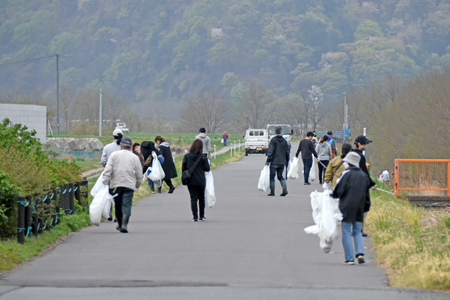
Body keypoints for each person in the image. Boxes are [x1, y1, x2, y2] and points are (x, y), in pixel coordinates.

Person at [332, 151, 371, 265]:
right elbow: (367, 195)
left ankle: (349, 258)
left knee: (346, 232)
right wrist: (366, 208)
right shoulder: (364, 176)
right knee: (357, 231)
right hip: (360, 207)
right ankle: (360, 253)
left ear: (348, 163)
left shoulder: (346, 174)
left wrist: (333, 196)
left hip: (346, 207)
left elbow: (339, 190)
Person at [102, 137, 142, 233]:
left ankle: (120, 224)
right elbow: (139, 174)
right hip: (129, 185)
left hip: (116, 185)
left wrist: (105, 181)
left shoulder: (114, 155)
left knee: (118, 204)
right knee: (127, 204)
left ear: (121, 145)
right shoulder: (135, 157)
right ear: (131, 146)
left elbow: (108, 170)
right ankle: (124, 224)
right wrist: (137, 184)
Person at [352, 135, 377, 237]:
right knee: (363, 208)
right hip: (361, 185)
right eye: (365, 143)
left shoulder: (353, 154)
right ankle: (359, 229)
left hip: (354, 184)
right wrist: (372, 184)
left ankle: (357, 229)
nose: (367, 145)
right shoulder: (360, 156)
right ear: (359, 144)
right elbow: (364, 172)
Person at [182, 139, 211, 221]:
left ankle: (195, 217)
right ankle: (202, 215)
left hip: (191, 180)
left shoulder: (187, 156)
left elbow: (184, 168)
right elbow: (207, 168)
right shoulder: (203, 157)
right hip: (201, 180)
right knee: (202, 197)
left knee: (193, 198)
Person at [100, 129, 123, 221]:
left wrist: (106, 167)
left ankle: (109, 213)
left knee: (109, 193)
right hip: (121, 174)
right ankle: (118, 215)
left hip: (110, 174)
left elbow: (103, 161)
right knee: (119, 195)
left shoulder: (107, 147)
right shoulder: (123, 148)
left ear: (113, 137)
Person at [266, 126, 290, 196]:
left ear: (275, 131)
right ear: (281, 131)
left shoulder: (273, 140)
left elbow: (271, 151)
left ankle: (272, 192)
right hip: (282, 161)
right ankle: (285, 189)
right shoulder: (284, 141)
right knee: (280, 176)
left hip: (274, 161)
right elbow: (287, 152)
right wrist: (286, 161)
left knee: (272, 177)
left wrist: (268, 160)